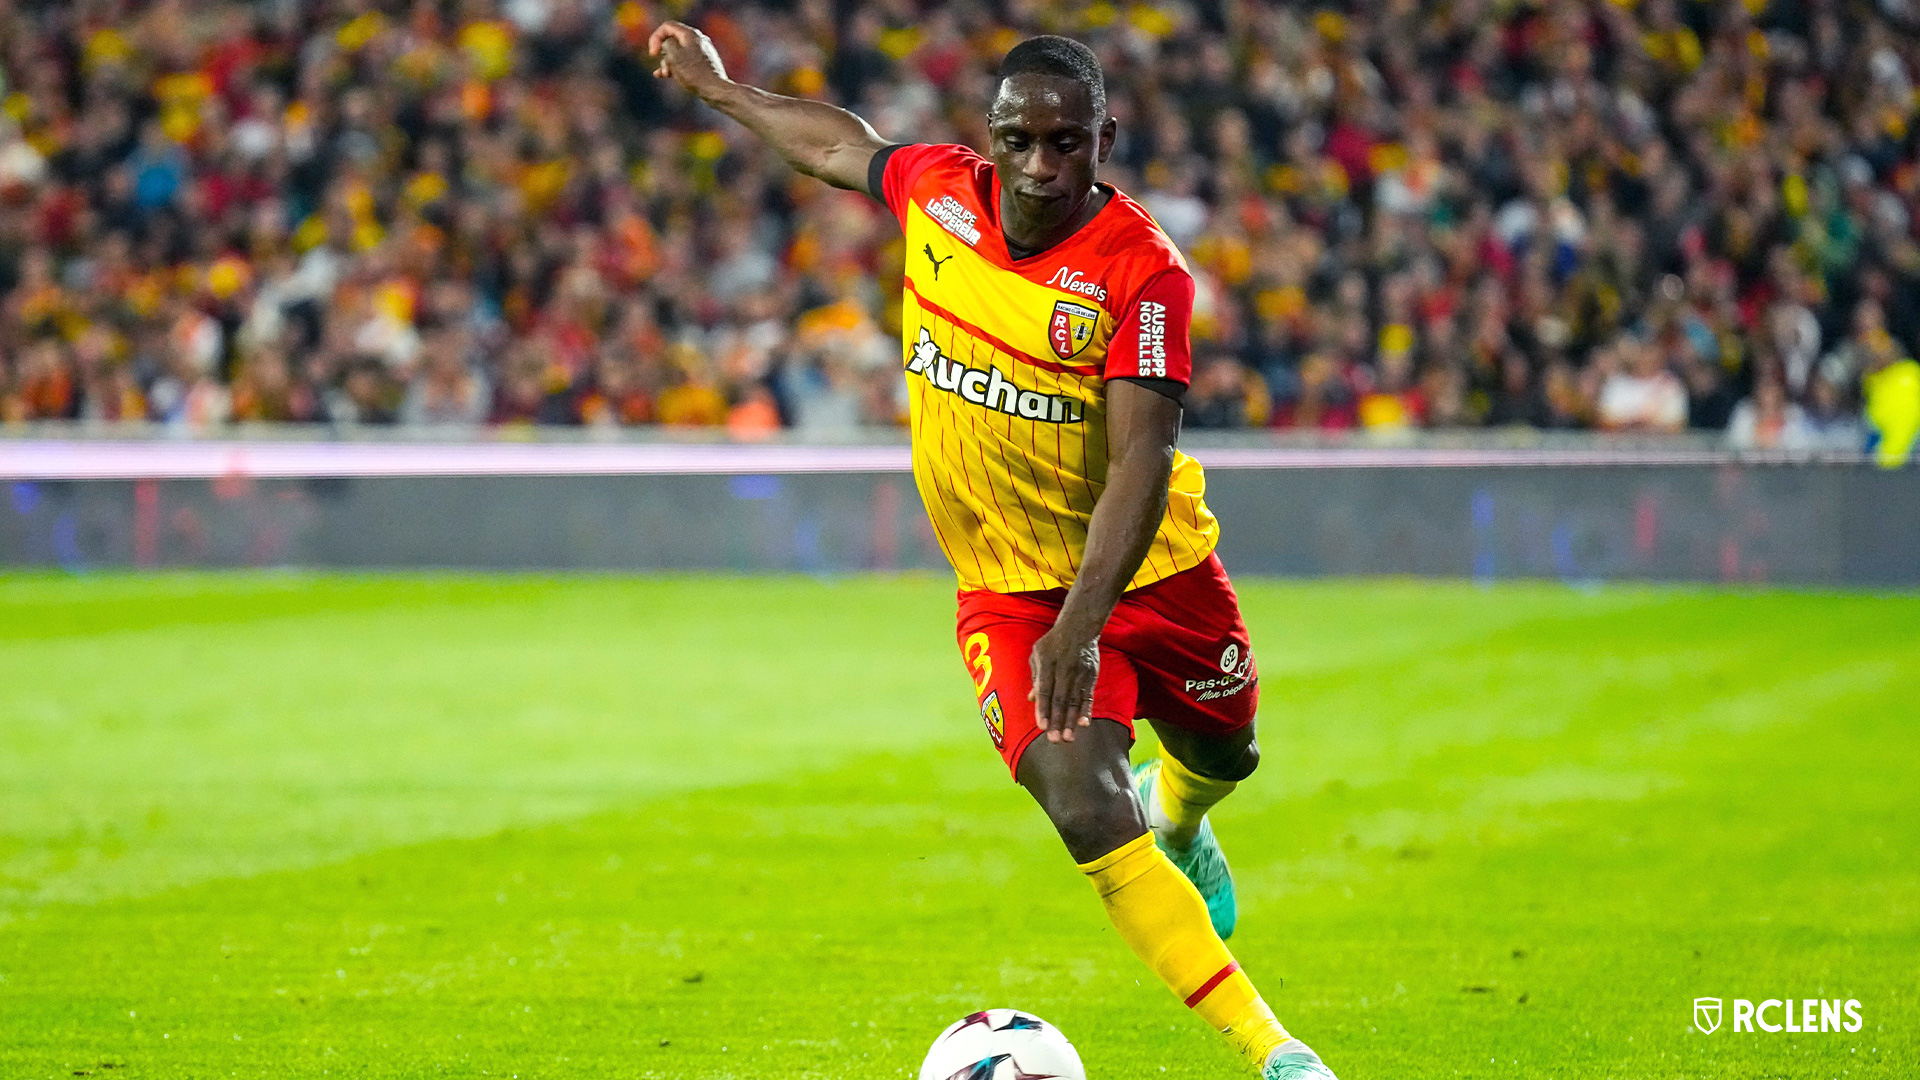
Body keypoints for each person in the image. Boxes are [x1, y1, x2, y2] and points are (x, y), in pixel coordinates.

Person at [648, 21, 1337, 1080]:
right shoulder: (936, 191)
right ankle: (1279, 1053)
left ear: (1105, 139)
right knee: (1080, 800)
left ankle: (1185, 817)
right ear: (992, 133)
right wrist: (722, 89)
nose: (1042, 166)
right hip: (1009, 592)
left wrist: (1086, 623)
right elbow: (839, 146)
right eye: (1021, 139)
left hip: (1151, 572)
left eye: (1069, 143)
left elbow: (1142, 466)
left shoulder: (1143, 274)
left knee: (1226, 753)